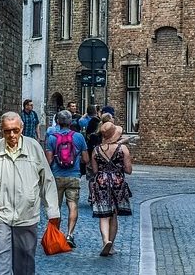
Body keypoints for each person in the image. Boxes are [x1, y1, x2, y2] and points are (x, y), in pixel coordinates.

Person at [0, 111, 59, 275]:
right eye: (7, 131)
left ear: (21, 128)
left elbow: (47, 180)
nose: (12, 134)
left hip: (27, 214)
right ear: (1, 130)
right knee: (2, 258)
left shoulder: (33, 147)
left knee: (26, 261)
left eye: (15, 130)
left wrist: (52, 211)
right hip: (1, 213)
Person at [45, 110, 89, 248]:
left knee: (55, 207)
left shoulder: (51, 138)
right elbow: (86, 159)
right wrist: (75, 159)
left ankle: (56, 234)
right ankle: (69, 234)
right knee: (73, 205)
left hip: (56, 176)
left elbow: (49, 160)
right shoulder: (79, 137)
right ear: (71, 122)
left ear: (58, 122)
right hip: (73, 176)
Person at [89, 122, 133, 257]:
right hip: (117, 183)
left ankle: (105, 241)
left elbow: (95, 170)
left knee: (103, 215)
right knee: (114, 215)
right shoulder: (123, 149)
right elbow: (128, 170)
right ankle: (111, 245)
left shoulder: (96, 150)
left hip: (101, 182)